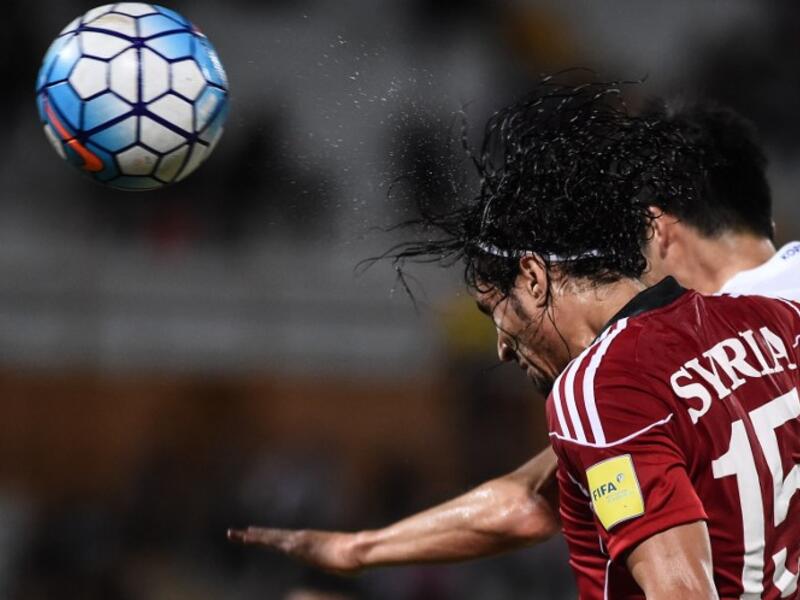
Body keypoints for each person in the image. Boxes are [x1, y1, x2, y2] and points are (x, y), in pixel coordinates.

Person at [230, 81, 800, 597]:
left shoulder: (599, 389)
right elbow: (529, 504)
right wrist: (356, 550)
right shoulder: (771, 323)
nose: (500, 345)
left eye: (492, 310)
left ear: (532, 277)